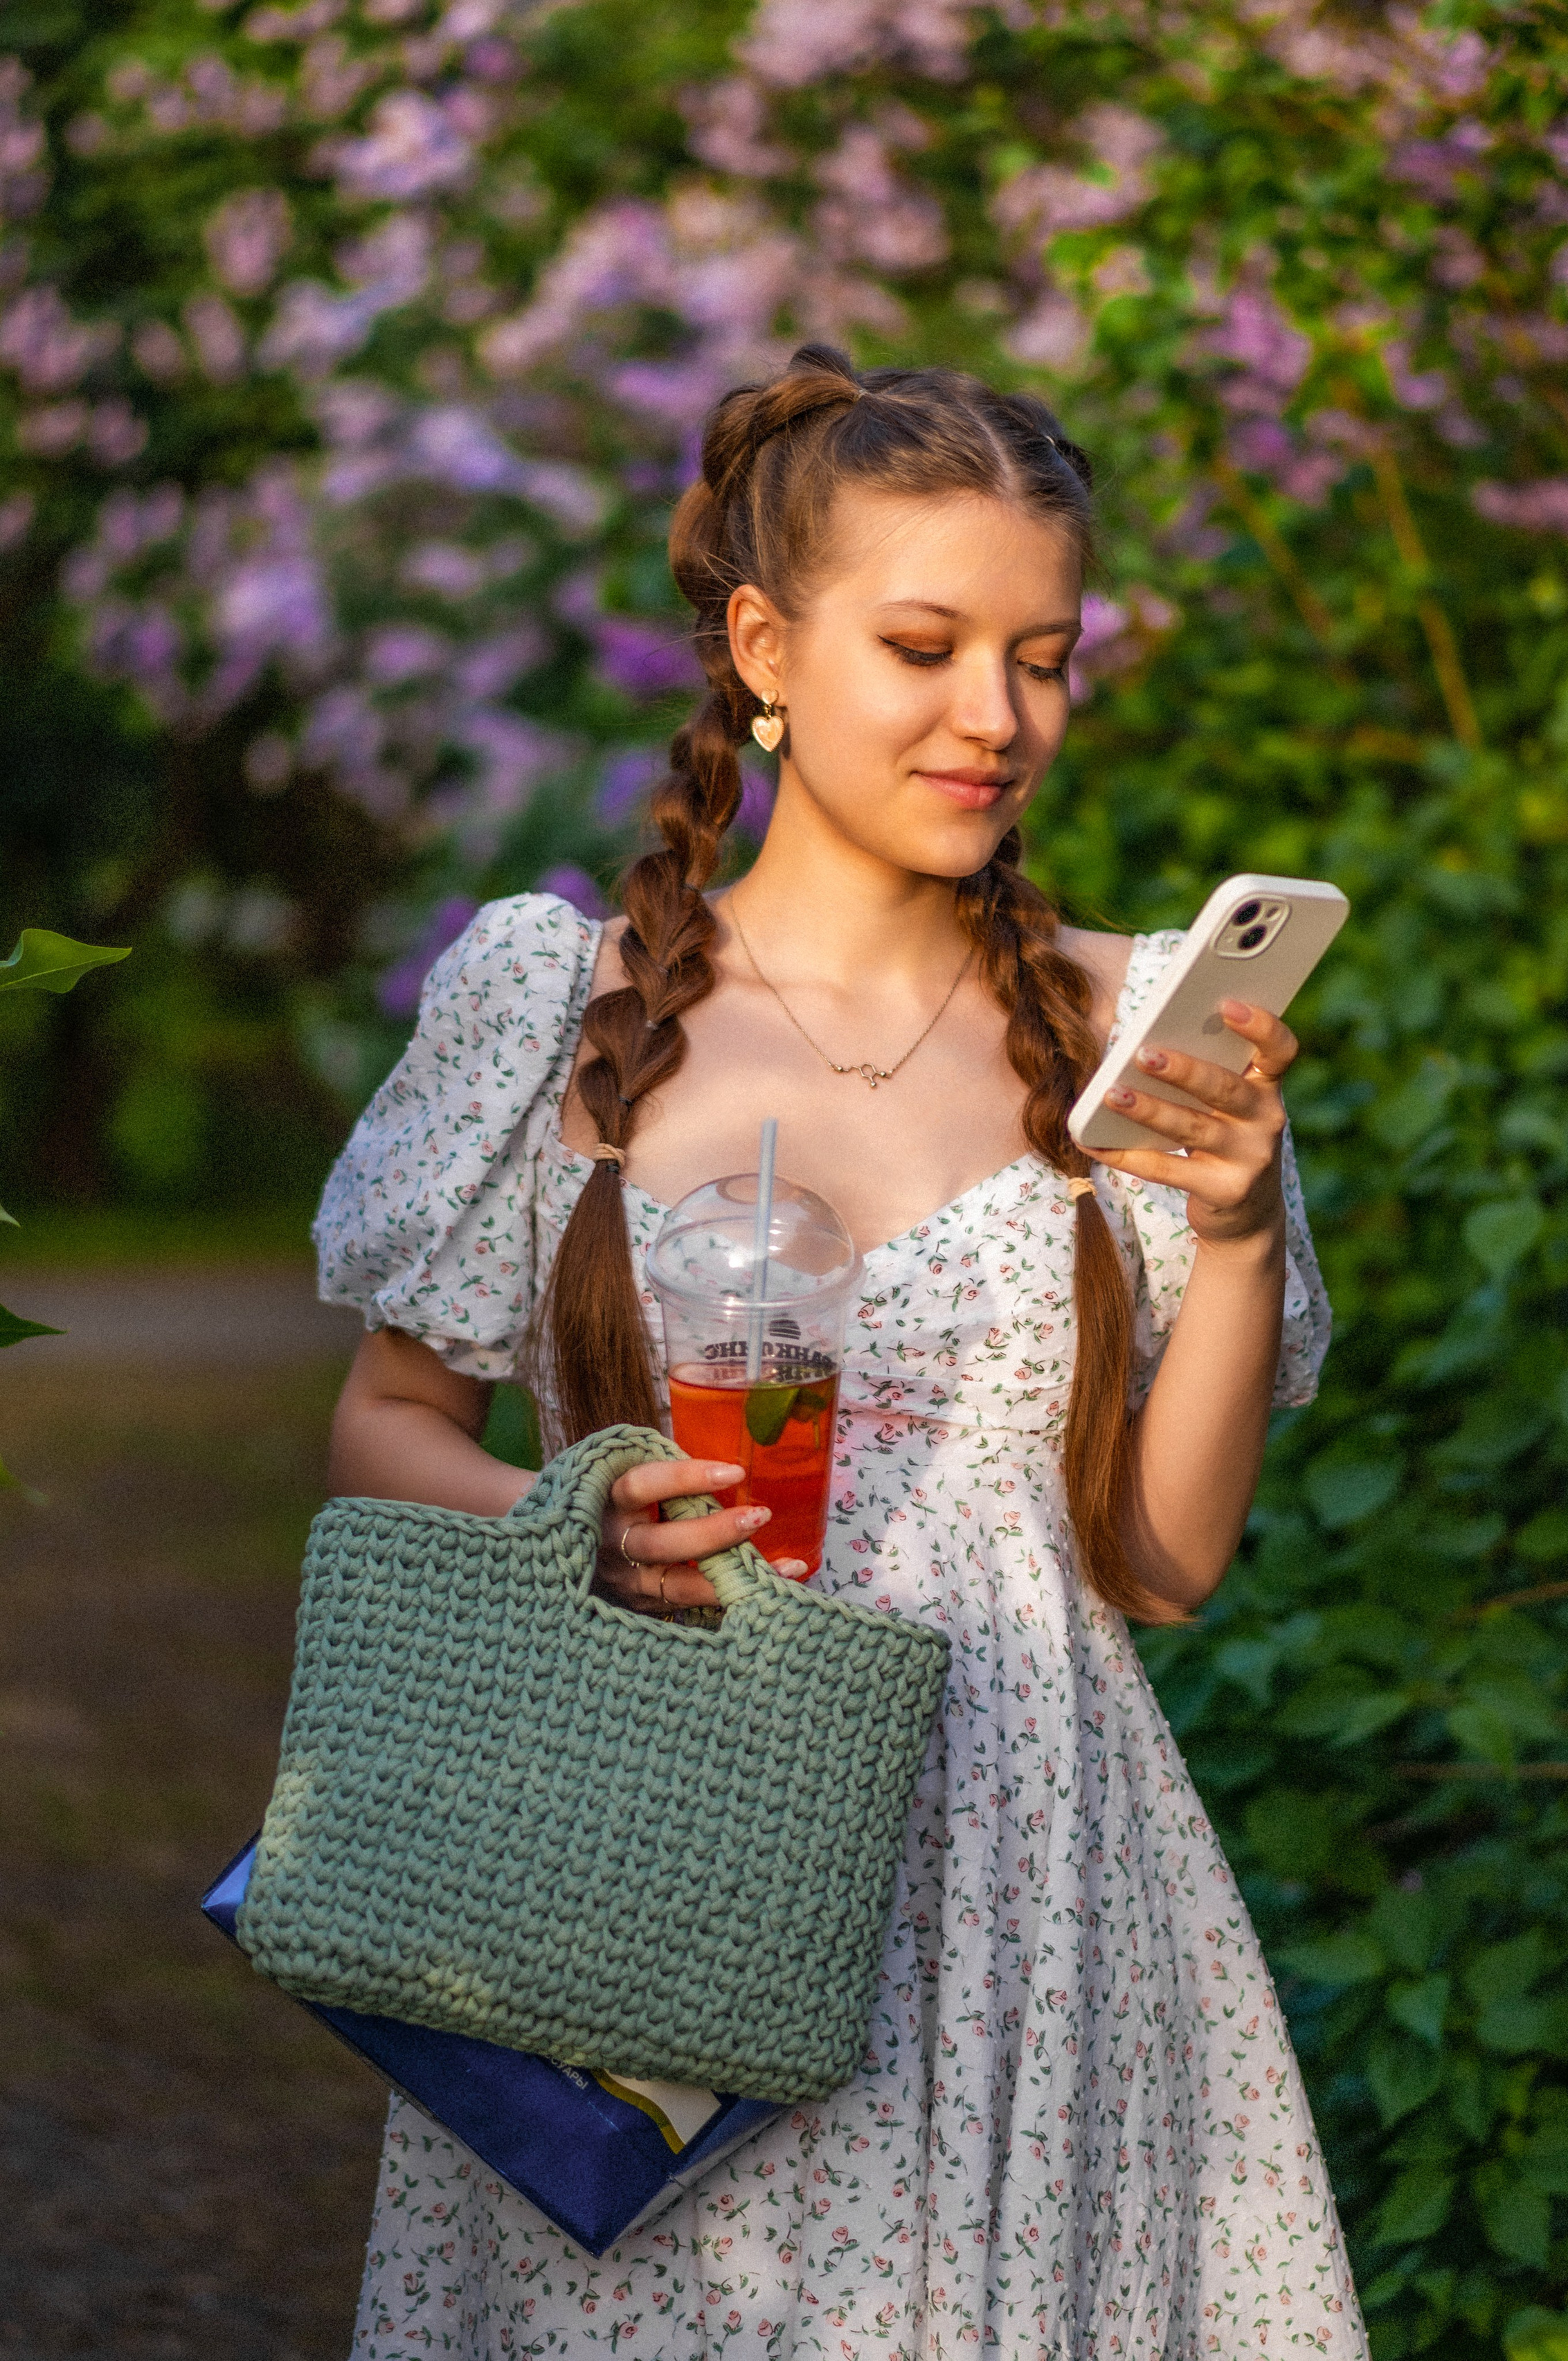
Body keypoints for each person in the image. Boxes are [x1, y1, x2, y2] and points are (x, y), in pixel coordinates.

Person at [316, 343, 1365, 2359]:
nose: (1000, 717)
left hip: (1034, 1880)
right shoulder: (558, 1005)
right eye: (928, 645)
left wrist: (1229, 1239)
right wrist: (578, 1511)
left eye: (1044, 656)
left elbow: (1155, 1569)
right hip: (656, 1853)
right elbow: (381, 1424)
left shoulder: (1139, 1025)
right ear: (765, 646)